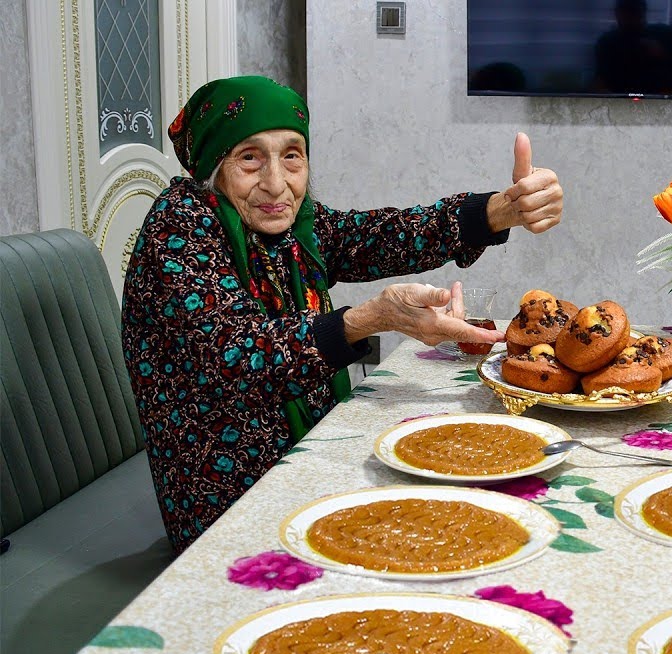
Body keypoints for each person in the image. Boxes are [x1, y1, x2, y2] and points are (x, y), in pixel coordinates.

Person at [121, 76, 563, 553]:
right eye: (250, 157)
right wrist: (370, 319)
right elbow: (238, 355)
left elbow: (377, 235)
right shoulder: (179, 225)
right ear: (214, 166)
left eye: (292, 155)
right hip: (229, 502)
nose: (276, 182)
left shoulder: (290, 224)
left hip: (306, 454)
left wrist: (499, 211)